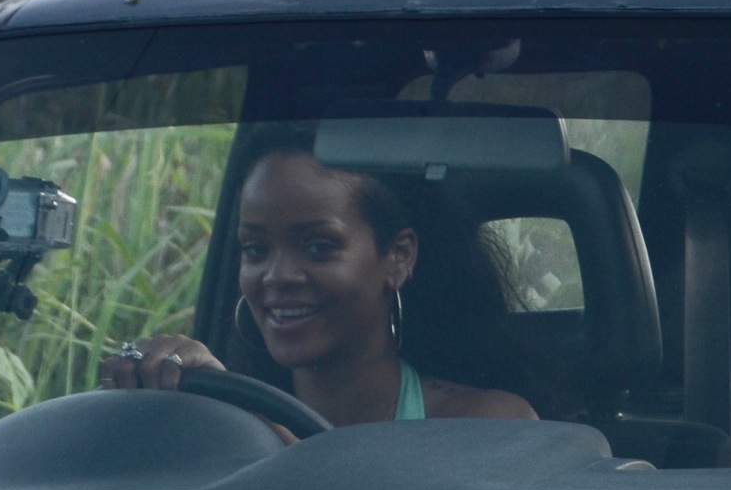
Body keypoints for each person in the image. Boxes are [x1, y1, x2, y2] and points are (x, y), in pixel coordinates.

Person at [100, 133, 535, 427]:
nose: (278, 276)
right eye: (256, 249)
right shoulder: (222, 429)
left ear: (398, 256)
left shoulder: (486, 424)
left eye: (318, 247)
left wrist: (254, 423)